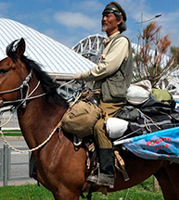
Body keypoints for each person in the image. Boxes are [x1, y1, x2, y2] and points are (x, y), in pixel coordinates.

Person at [74, 1, 134, 188]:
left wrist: (83, 75)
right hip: (101, 97)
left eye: (108, 15)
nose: (104, 18)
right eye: (103, 15)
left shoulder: (121, 41)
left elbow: (107, 68)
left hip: (113, 99)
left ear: (119, 20)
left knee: (100, 125)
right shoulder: (108, 43)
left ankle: (107, 174)